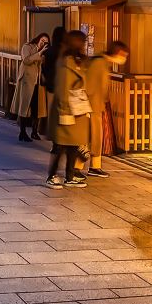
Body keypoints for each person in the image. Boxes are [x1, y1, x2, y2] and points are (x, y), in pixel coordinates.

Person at [47, 26, 93, 188]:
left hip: (78, 109)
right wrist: (65, 112)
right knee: (60, 145)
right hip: (66, 109)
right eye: (83, 42)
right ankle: (52, 176)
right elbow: (62, 89)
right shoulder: (65, 62)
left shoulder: (78, 61)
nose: (84, 45)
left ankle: (69, 176)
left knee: (74, 144)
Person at [94, 39, 130, 173]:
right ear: (118, 52)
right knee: (91, 138)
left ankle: (94, 166)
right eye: (124, 55)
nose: (124, 59)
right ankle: (76, 170)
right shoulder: (99, 62)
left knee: (96, 137)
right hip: (93, 104)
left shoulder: (103, 62)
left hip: (98, 104)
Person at [12, 30, 51, 141]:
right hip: (27, 82)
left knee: (37, 109)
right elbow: (26, 60)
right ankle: (22, 132)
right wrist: (39, 53)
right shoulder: (27, 47)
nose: (43, 43)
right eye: (42, 40)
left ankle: (34, 131)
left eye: (46, 42)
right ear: (38, 39)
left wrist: (44, 54)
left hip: (38, 83)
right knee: (24, 107)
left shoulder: (44, 52)